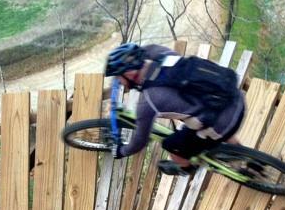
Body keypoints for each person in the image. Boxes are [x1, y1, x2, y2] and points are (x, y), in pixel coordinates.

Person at [104, 42, 246, 175]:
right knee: (206, 118)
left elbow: (139, 142)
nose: (118, 81)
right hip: (235, 99)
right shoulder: (161, 54)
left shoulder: (148, 101)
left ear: (129, 74)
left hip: (224, 122)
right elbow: (146, 49)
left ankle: (187, 167)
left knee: (171, 145)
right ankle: (246, 158)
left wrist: (121, 151)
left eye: (118, 77)